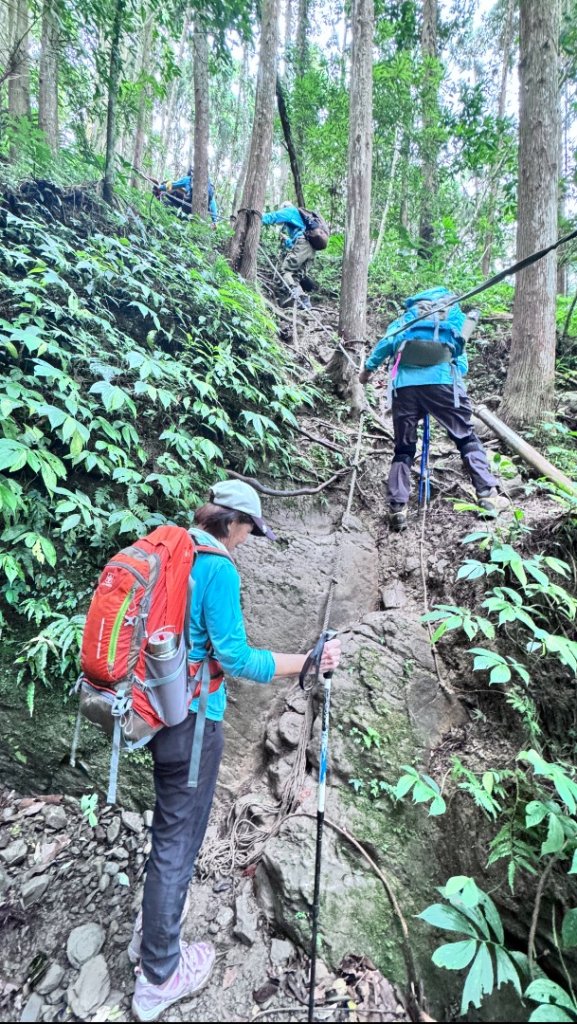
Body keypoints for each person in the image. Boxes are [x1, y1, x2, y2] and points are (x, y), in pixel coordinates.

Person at [130, 479, 341, 1022]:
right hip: (196, 724)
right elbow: (238, 658)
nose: (248, 538)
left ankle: (150, 942)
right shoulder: (218, 567)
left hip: (159, 714)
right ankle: (158, 976)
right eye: (250, 528)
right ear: (233, 522)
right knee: (180, 842)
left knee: (169, 829)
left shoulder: (172, 550)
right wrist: (309, 660)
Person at [359, 288, 509, 532]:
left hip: (404, 388)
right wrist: (450, 380)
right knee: (465, 437)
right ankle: (488, 495)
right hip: (443, 382)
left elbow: (387, 343)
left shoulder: (409, 315)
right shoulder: (452, 313)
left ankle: (398, 507)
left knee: (404, 448)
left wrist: (367, 370)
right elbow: (460, 355)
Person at [261, 201, 314, 309]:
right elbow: (295, 244)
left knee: (285, 271)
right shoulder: (302, 221)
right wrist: (287, 240)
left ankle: (298, 296)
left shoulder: (290, 210)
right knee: (295, 276)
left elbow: (274, 216)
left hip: (303, 244)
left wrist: (258, 217)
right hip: (311, 249)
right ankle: (303, 302)